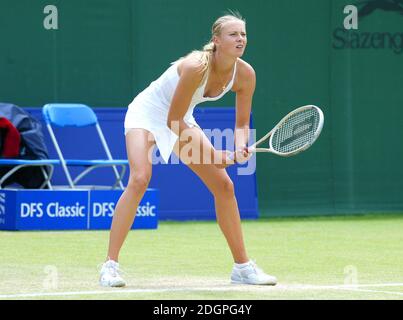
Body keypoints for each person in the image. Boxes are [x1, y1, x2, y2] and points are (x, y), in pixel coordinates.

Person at [99, 13, 277, 287]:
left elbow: (242, 123)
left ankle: (242, 267)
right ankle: (110, 266)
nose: (240, 38)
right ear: (216, 41)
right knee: (139, 179)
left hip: (181, 116)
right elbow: (172, 120)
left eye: (243, 34)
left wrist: (240, 145)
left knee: (224, 185)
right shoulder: (196, 66)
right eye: (233, 34)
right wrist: (216, 156)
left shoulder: (245, 74)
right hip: (148, 113)